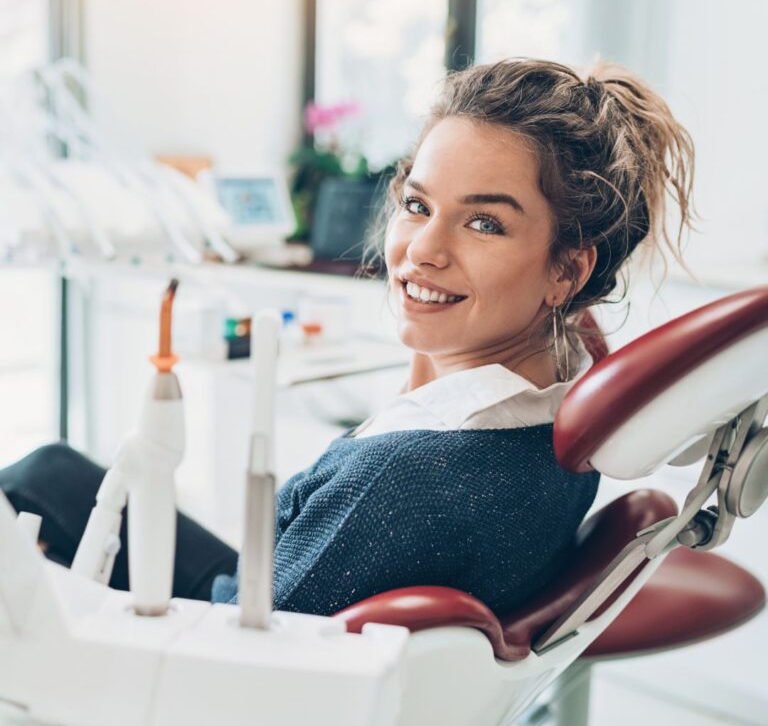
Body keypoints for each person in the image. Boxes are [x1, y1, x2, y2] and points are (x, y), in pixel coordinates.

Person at [0, 58, 694, 618]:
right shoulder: (563, 401)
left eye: (484, 224)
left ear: (568, 269)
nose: (422, 250)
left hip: (220, 639)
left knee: (30, 506)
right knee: (50, 472)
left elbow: (251, 661)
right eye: (418, 205)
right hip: (265, 585)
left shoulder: (398, 482)